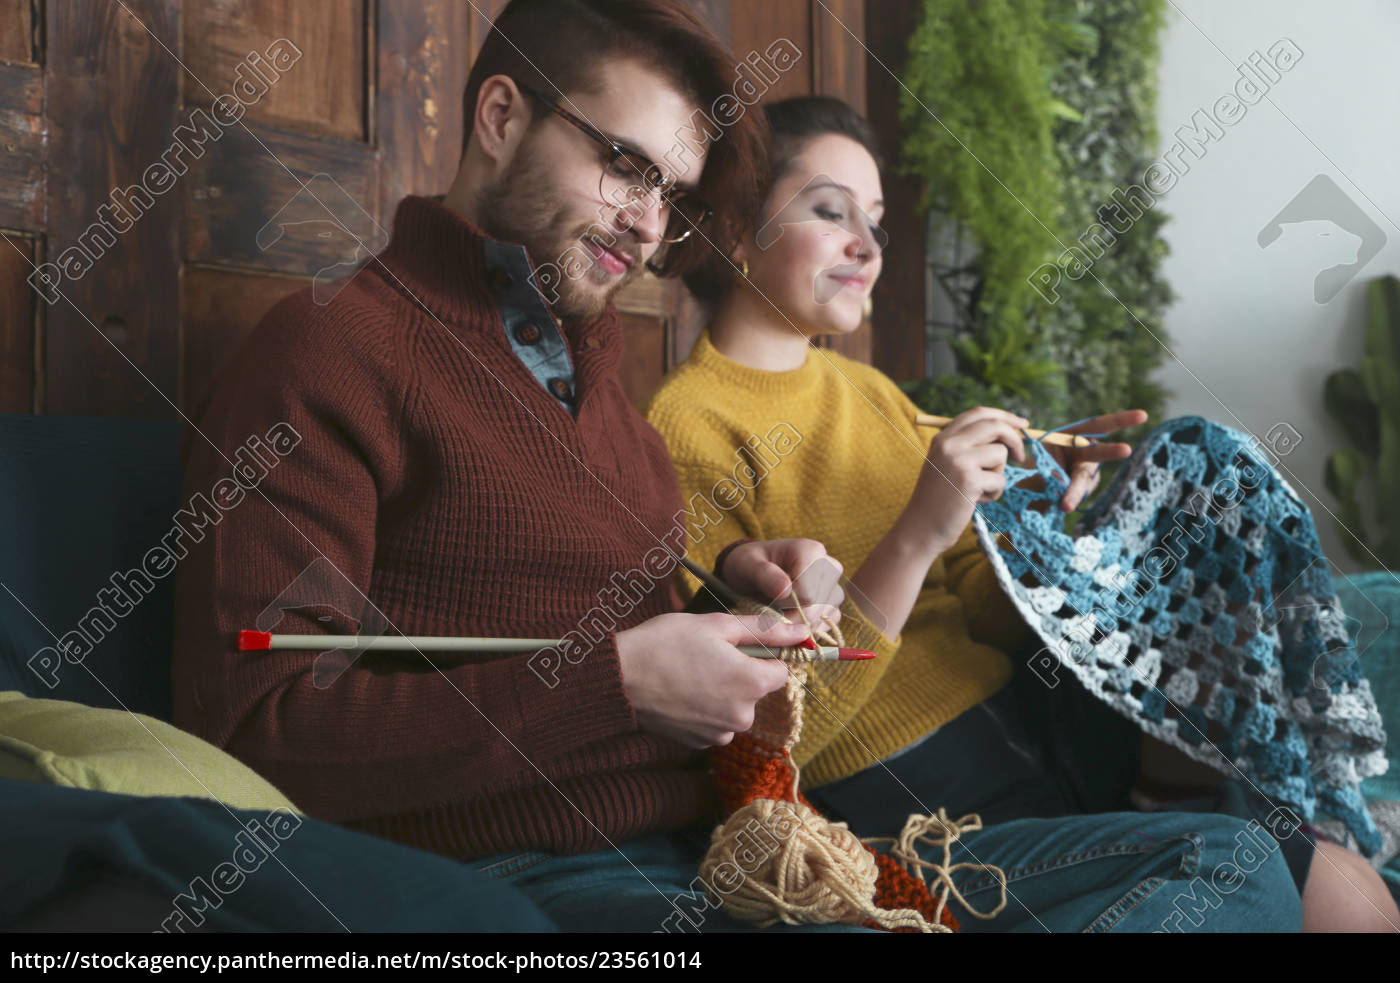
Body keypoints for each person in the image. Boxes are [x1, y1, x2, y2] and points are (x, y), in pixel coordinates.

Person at [645, 95, 1398, 932]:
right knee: (1299, 894)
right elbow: (768, 746)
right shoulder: (690, 428)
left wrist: (1039, 524)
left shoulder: (868, 391)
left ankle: (1164, 790)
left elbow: (985, 613)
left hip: (1030, 725)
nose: (868, 243)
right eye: (831, 211)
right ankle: (1166, 809)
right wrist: (921, 530)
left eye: (878, 220)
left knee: (1349, 892)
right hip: (908, 801)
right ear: (743, 221)